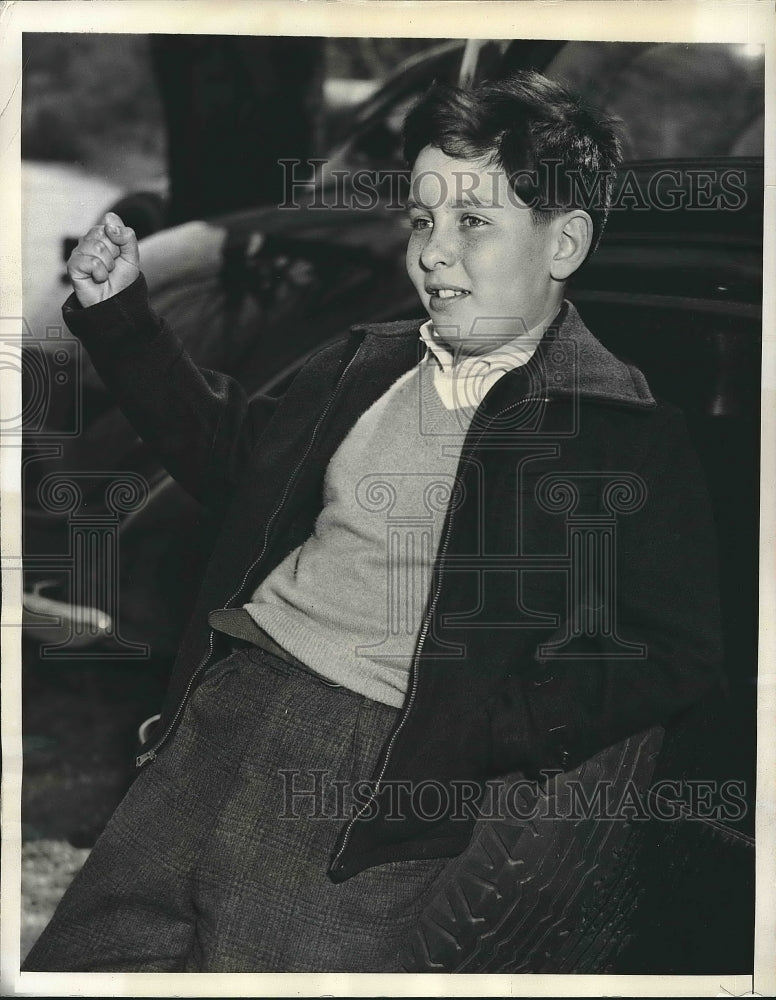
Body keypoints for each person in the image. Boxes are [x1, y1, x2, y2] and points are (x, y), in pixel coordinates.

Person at [23, 69, 723, 972]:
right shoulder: (369, 361)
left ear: (566, 242)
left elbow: (673, 649)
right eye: (423, 220)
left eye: (474, 222)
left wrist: (477, 729)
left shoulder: (613, 426)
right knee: (89, 962)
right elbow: (235, 455)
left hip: (364, 771)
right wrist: (122, 319)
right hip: (224, 708)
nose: (435, 253)